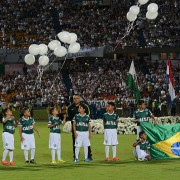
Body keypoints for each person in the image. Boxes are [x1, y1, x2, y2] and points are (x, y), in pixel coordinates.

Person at [67, 94, 92, 160]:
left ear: (79, 99)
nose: (75, 100)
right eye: (74, 98)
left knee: (86, 143)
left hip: (84, 127)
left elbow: (88, 114)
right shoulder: (70, 107)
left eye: (77, 98)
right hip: (75, 127)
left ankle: (89, 156)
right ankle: (75, 156)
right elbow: (69, 117)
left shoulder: (85, 106)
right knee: (75, 142)